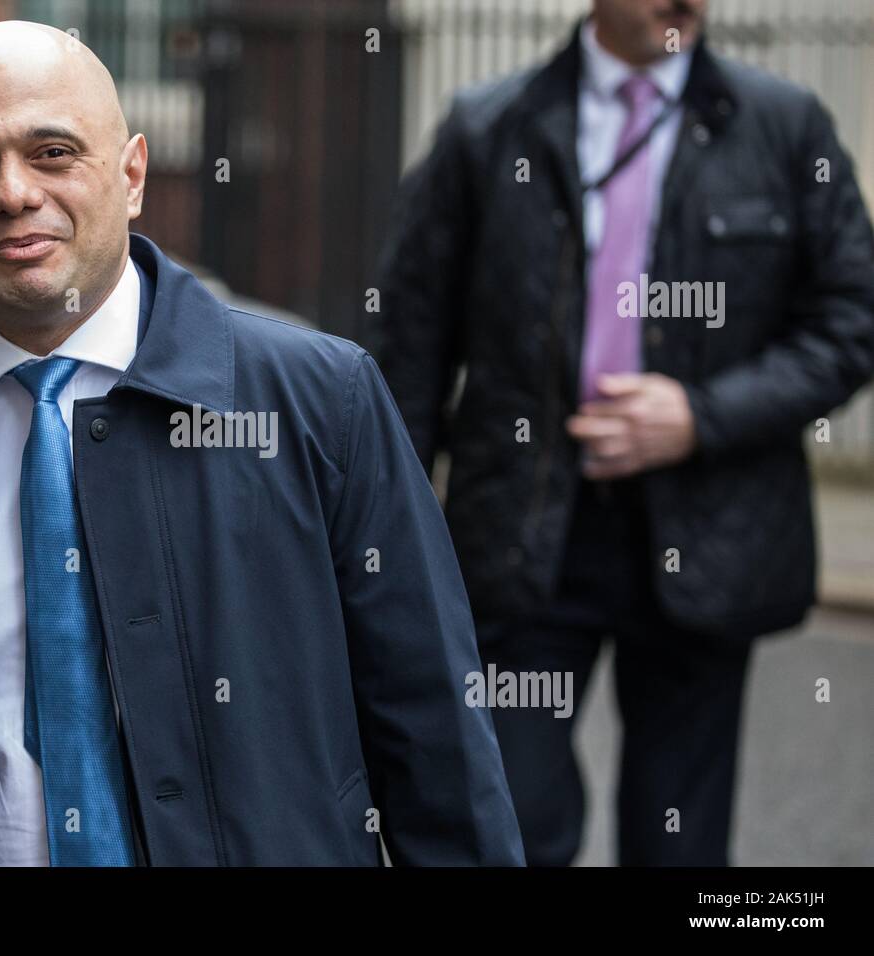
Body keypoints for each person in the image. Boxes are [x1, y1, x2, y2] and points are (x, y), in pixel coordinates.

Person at [0, 20, 524, 866]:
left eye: (54, 151)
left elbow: (438, 749)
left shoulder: (321, 402)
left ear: (132, 175)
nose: (13, 193)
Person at [372, 0, 874, 865]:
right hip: (522, 534)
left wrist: (702, 416)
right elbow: (406, 349)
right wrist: (388, 538)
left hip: (709, 534)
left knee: (678, 839)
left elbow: (851, 320)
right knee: (511, 824)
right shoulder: (490, 129)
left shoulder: (784, 127)